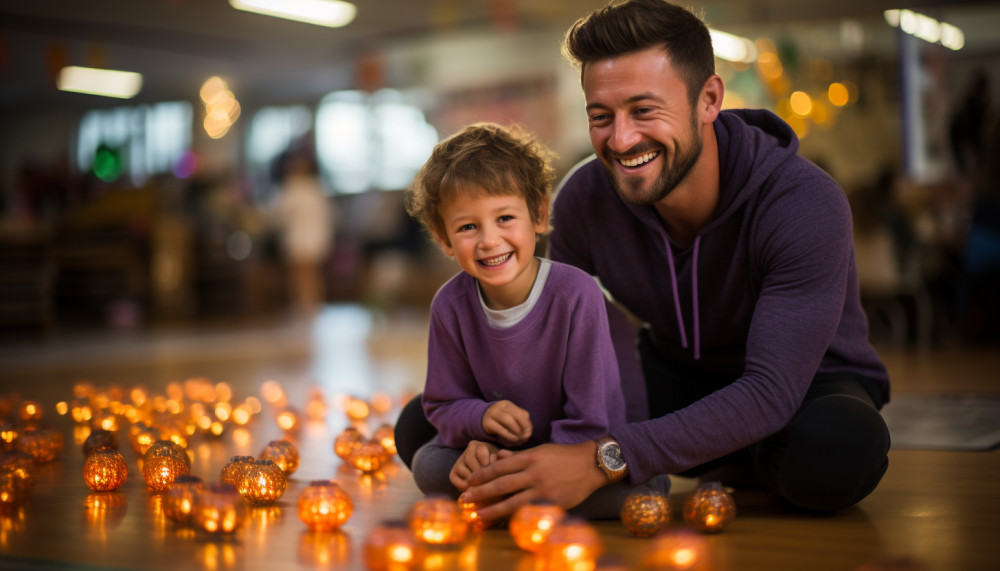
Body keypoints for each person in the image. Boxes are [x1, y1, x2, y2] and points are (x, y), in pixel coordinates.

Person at [407, 0, 891, 519]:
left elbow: (771, 390)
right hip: (670, 378)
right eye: (601, 117)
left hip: (799, 387)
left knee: (839, 446)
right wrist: (485, 426)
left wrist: (602, 459)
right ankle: (712, 458)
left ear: (708, 100)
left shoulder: (803, 203)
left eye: (644, 110)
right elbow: (552, 344)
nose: (621, 139)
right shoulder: (585, 200)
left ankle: (736, 458)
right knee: (419, 425)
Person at [399, 122, 654, 518]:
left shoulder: (576, 294)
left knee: (638, 491)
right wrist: (480, 424)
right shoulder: (448, 306)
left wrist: (543, 466)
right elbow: (444, 403)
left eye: (504, 218)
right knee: (429, 466)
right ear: (443, 238)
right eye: (468, 227)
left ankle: (510, 495)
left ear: (538, 213)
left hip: (582, 449)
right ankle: (519, 494)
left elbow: (595, 418)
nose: (488, 240)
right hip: (508, 450)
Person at [270, 151, 335, 314]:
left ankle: (305, 304)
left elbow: (278, 214)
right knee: (311, 273)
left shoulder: (292, 189)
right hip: (315, 237)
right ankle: (311, 303)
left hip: (299, 238)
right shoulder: (317, 189)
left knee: (301, 273)